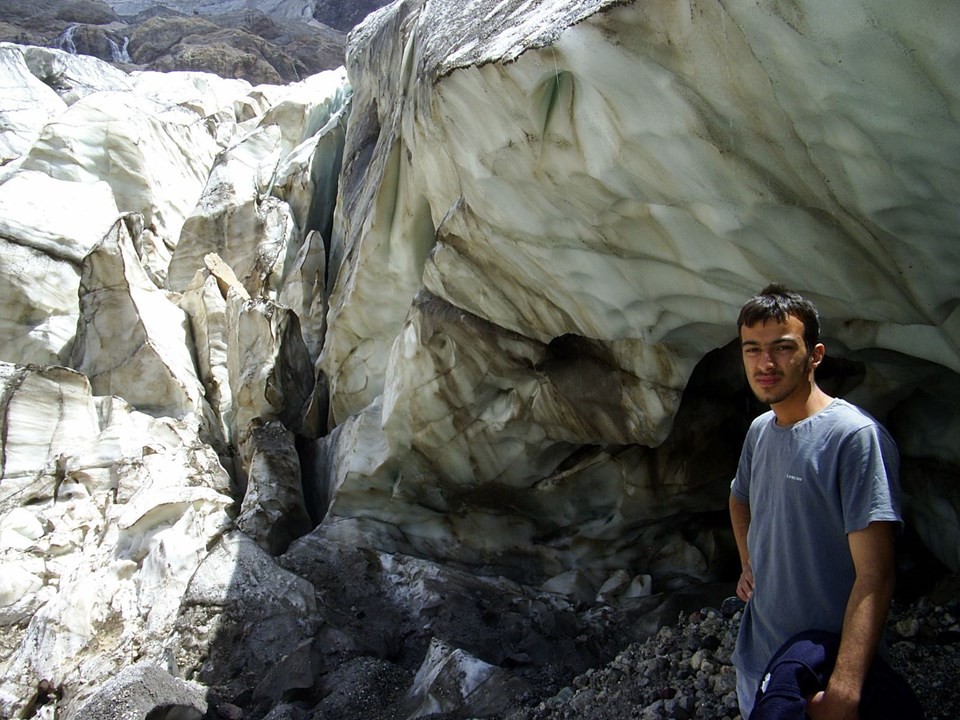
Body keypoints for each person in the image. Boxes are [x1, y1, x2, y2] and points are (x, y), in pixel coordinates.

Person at [729, 284, 903, 720]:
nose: (765, 364)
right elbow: (739, 499)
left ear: (816, 354)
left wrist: (845, 689)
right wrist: (748, 562)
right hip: (757, 663)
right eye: (752, 349)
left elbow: (876, 575)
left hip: (821, 672)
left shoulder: (853, 438)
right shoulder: (760, 431)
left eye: (783, 348)